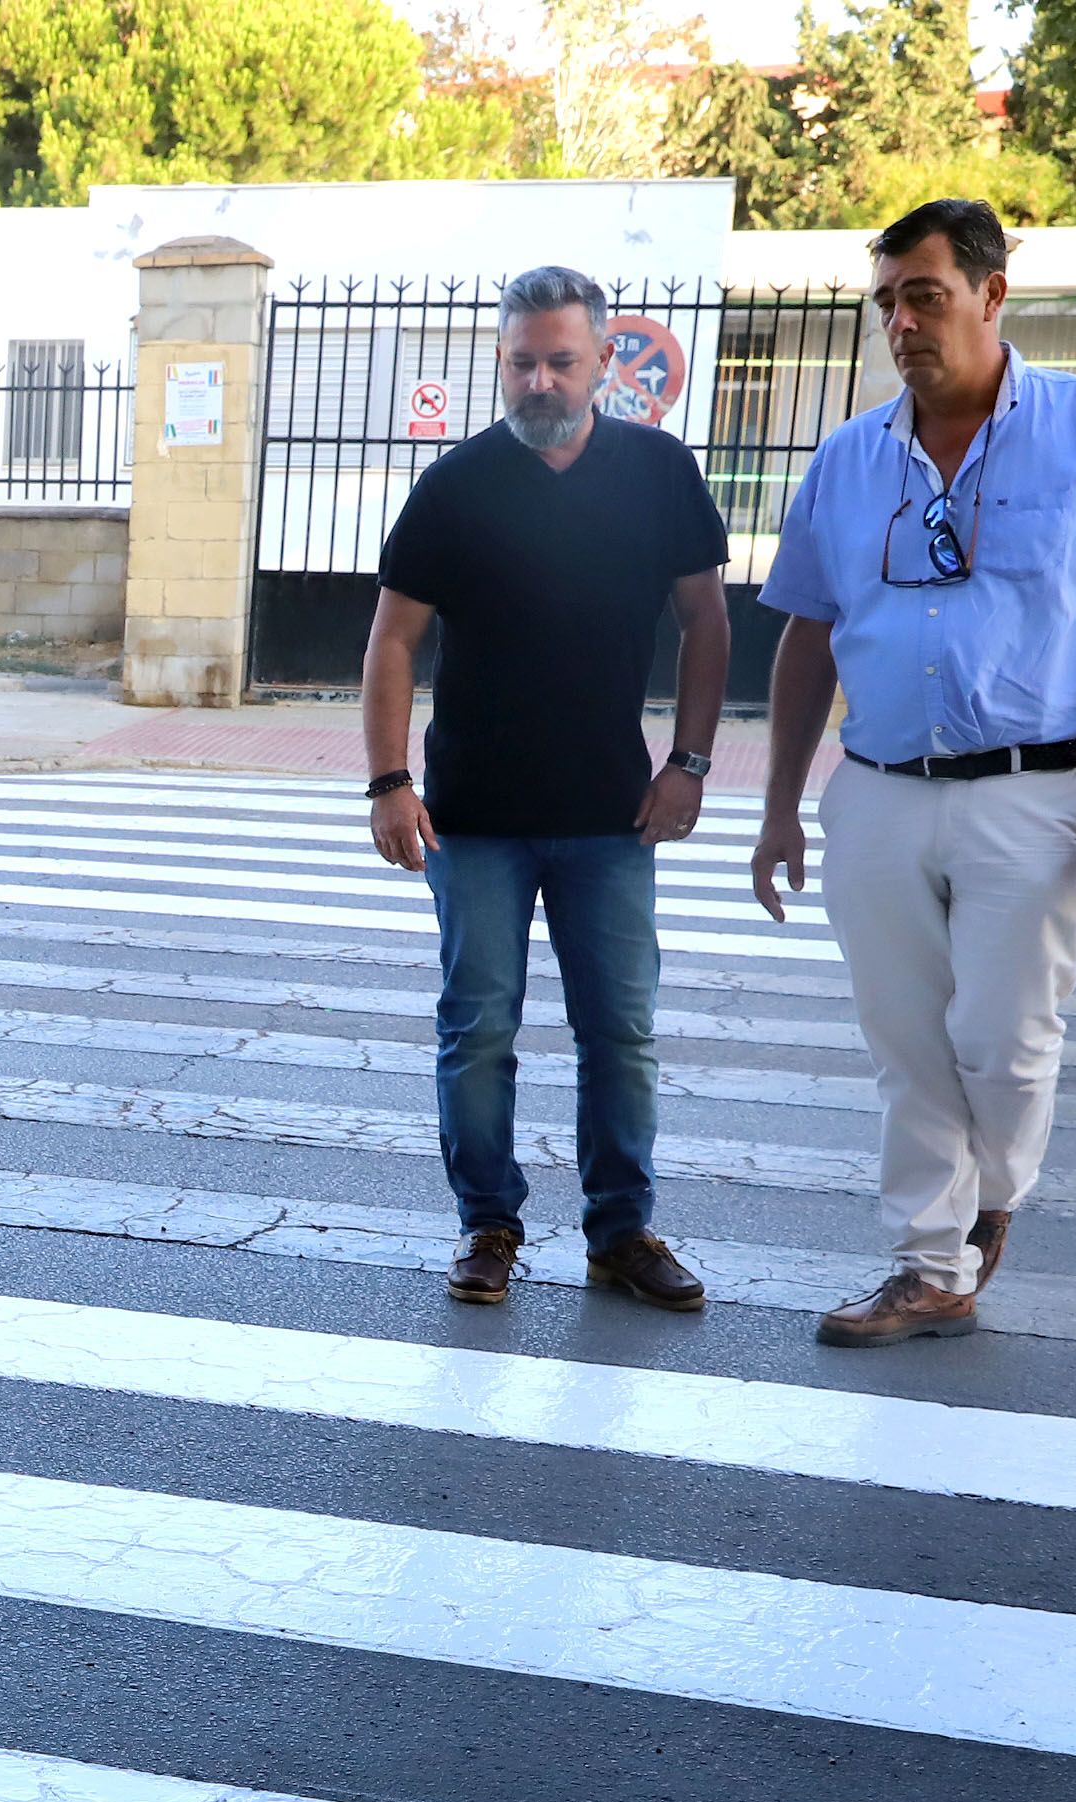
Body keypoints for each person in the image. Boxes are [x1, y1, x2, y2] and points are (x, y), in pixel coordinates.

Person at [753, 198, 1076, 1345]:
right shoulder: (848, 457)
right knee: (905, 1044)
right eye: (886, 299)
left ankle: (991, 1197)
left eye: (924, 296)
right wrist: (776, 809)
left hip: (1032, 794)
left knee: (1002, 1043)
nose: (900, 321)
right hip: (878, 791)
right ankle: (927, 1261)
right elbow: (805, 634)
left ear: (991, 296)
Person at [364, 262, 733, 1314]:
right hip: (472, 816)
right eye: (519, 362)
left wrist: (689, 765)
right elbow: (391, 637)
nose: (538, 381)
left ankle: (621, 1232)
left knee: (619, 1029)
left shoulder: (657, 472)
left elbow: (706, 622)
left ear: (602, 361)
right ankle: (487, 1224)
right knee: (475, 1027)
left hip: (609, 815)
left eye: (560, 361)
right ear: (499, 361)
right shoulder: (455, 484)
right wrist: (389, 780)